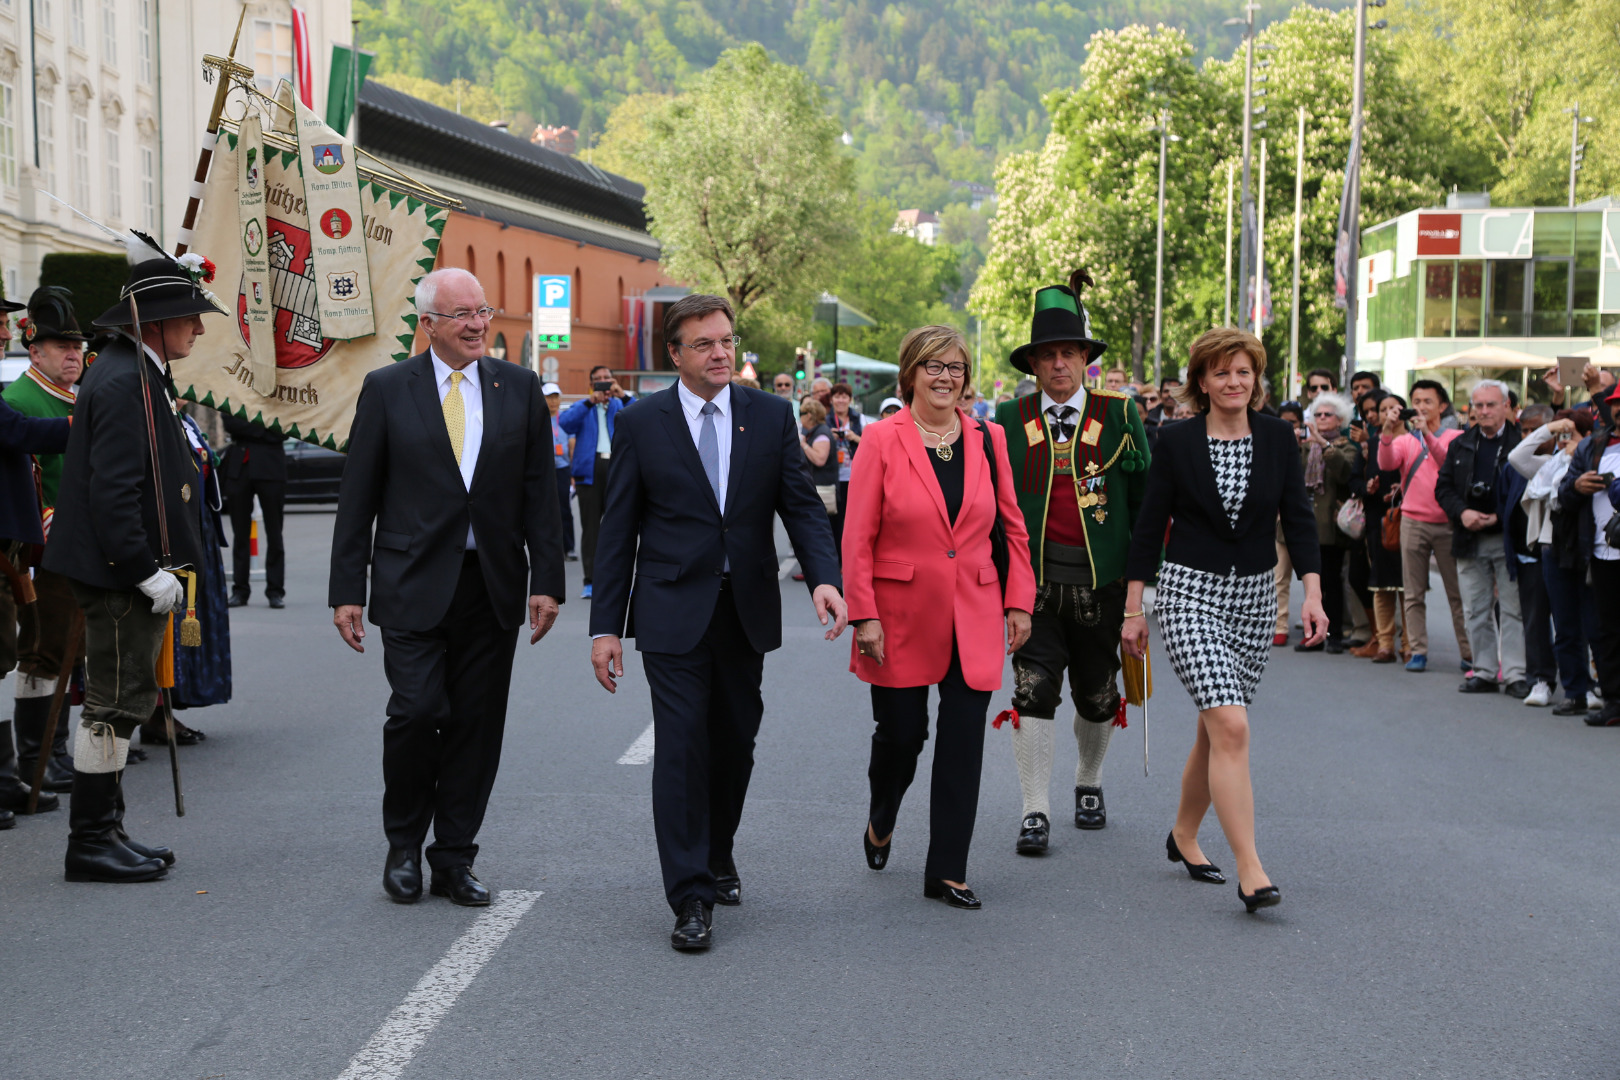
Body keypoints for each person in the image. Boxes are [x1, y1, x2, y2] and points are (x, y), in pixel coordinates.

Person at [590, 293, 845, 951]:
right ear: (675, 354)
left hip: (745, 609)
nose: (721, 353)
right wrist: (604, 627)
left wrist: (824, 578)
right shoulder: (643, 422)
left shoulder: (767, 415)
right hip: (671, 610)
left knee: (735, 740)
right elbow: (617, 530)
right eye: (704, 344)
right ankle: (690, 894)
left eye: (727, 340)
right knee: (680, 747)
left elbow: (800, 505)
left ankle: (718, 847)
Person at [328, 268, 566, 907]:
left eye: (483, 311)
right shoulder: (387, 390)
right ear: (427, 324)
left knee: (476, 725)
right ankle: (402, 844)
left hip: (490, 586)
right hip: (410, 584)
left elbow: (540, 492)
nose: (476, 324)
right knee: (417, 710)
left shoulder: (516, 388)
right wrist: (346, 588)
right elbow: (359, 497)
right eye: (461, 314)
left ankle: (454, 857)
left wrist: (548, 580)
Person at [1122, 327, 1327, 914]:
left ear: (1256, 378)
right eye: (1221, 373)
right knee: (1232, 728)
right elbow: (1148, 528)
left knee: (1216, 727)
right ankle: (1251, 868)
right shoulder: (1178, 440)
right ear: (1201, 382)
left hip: (1256, 599)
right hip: (1190, 594)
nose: (1234, 382)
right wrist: (1135, 607)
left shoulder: (1278, 437)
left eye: (1244, 371)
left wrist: (1311, 594)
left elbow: (1300, 520)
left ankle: (1183, 834)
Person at [43, 236, 221, 881]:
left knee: (124, 699)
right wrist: (143, 567)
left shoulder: (134, 369)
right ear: (155, 321)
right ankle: (90, 841)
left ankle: (107, 829)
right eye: (189, 316)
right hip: (119, 574)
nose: (199, 327)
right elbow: (113, 489)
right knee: (116, 704)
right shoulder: (124, 379)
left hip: (124, 568)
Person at [844, 325, 1035, 909]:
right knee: (903, 737)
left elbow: (1012, 526)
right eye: (934, 366)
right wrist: (863, 615)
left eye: (955, 366)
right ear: (911, 373)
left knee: (962, 740)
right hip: (897, 612)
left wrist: (1019, 599)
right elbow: (858, 535)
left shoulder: (988, 438)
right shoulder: (881, 439)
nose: (946, 376)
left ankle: (948, 869)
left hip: (974, 608)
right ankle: (883, 812)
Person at [992, 271, 1151, 852]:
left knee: (1099, 693)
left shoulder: (1121, 416)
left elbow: (1144, 510)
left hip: (1103, 586)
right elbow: (991, 510)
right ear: (1032, 365)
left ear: (1086, 358)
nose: (1059, 364)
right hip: (1032, 587)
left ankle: (1090, 778)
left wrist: (1141, 595)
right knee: (1032, 689)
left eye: (1069, 352)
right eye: (1047, 355)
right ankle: (1035, 808)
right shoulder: (1008, 421)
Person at [3, 286, 88, 795]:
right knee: (43, 653)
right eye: (60, 346)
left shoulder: (76, 396)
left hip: (77, 545)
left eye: (76, 346)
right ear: (34, 351)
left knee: (68, 654)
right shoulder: (19, 399)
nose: (73, 354)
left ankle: (51, 752)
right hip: (43, 547)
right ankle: (36, 758)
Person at [1435, 380, 1525, 696]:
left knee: (1513, 608)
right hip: (1468, 535)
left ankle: (1515, 673)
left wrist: (1502, 514)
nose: (1484, 411)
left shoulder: (1521, 443)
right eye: (1479, 405)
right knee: (1476, 607)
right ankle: (1485, 671)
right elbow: (1442, 488)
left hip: (1508, 537)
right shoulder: (1460, 444)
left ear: (1506, 406)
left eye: (1491, 404)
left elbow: (1530, 488)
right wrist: (1462, 513)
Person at [1377, 379, 1470, 674]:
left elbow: (1446, 463)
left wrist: (1427, 434)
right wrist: (1388, 433)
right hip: (1413, 521)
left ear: (1442, 406)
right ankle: (1417, 650)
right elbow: (1387, 463)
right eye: (1415, 401)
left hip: (1448, 523)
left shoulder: (1456, 436)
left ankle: (1469, 652)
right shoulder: (1405, 439)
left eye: (1427, 401)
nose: (1420, 407)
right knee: (1414, 592)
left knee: (1457, 594)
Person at [1516, 410, 1600, 713]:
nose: (1566, 441)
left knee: (1594, 623)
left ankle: (1599, 688)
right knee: (1564, 625)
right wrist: (1548, 429)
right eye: (1561, 434)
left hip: (1591, 546)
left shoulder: (1599, 460)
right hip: (1554, 546)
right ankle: (1575, 691)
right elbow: (1517, 457)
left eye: (1572, 434)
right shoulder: (1549, 465)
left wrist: (1586, 450)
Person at [1557, 386, 1620, 726]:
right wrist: (1577, 487)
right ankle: (1614, 702)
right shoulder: (1590, 446)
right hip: (1601, 551)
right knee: (1607, 631)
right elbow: (1563, 496)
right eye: (1617, 404)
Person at [165, 411, 232, 719]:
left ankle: (180, 702)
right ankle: (157, 713)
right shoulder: (157, 417)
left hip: (199, 525)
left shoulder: (186, 419)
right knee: (171, 627)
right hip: (175, 531)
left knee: (198, 618)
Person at [1499, 404, 1558, 706]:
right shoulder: (1514, 468)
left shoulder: (1559, 461)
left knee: (1569, 624)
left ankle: (1582, 683)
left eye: (1535, 431)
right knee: (1534, 623)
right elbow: (1505, 508)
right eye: (1523, 431)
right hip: (1528, 556)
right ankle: (1541, 679)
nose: (1528, 437)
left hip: (1562, 554)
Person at [557, 364, 627, 598]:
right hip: (589, 470)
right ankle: (591, 581)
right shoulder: (583, 406)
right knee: (591, 529)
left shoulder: (622, 404)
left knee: (620, 528)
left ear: (614, 380)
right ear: (591, 384)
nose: (604, 382)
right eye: (598, 380)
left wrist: (623, 395)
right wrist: (591, 401)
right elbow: (565, 422)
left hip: (617, 468)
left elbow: (642, 416)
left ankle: (621, 580)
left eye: (607, 378)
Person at [1296, 392, 1358, 653]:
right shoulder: (1306, 447)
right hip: (1308, 521)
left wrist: (1323, 443)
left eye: (1327, 415)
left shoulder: (1346, 446)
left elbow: (1344, 472)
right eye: (1318, 414)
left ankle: (1333, 636)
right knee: (1312, 583)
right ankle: (1312, 634)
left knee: (1331, 581)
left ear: (1340, 419)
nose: (1321, 418)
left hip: (1331, 526)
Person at [1357, 394, 1408, 663]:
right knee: (1381, 583)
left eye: (1394, 408)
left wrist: (1403, 490)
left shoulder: (1417, 439)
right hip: (1380, 517)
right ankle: (1385, 643)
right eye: (1383, 409)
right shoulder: (1373, 443)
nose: (1389, 413)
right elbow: (1360, 476)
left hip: (1409, 517)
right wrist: (1369, 487)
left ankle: (1410, 644)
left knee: (1408, 586)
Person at [221, 411, 287, 609]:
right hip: (240, 468)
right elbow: (230, 423)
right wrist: (264, 427)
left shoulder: (278, 394)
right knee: (240, 535)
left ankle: (275, 591)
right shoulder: (237, 389)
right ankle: (240, 591)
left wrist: (249, 427)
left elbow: (283, 428)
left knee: (274, 534)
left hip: (270, 467)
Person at [544, 382, 577, 561]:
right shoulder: (537, 418)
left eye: (556, 397)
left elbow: (572, 446)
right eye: (549, 397)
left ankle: (569, 547)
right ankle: (549, 550)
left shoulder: (565, 419)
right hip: (544, 471)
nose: (553, 401)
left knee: (564, 509)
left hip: (563, 470)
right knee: (544, 511)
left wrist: (573, 472)